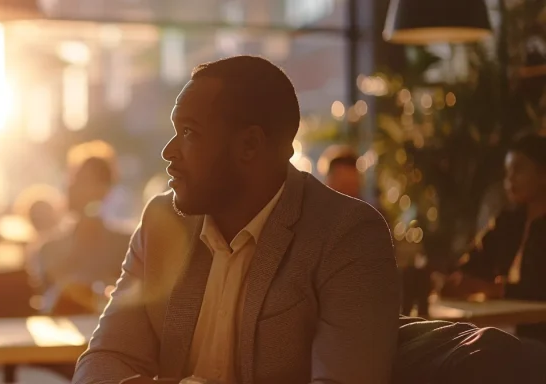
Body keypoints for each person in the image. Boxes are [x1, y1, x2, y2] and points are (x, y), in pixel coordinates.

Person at [73, 56, 398, 384]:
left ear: (249, 145)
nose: (169, 151)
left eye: (189, 132)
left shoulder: (347, 236)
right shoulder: (162, 223)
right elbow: (103, 361)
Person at [451, 132, 546, 343]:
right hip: (505, 331)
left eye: (518, 169)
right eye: (507, 171)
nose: (509, 179)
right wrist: (458, 280)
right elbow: (474, 260)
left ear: (542, 174)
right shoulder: (508, 221)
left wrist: (497, 289)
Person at [28, 142, 131, 314]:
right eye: (72, 178)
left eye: (83, 180)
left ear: (104, 190)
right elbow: (44, 308)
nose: (71, 186)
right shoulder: (47, 249)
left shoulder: (128, 246)